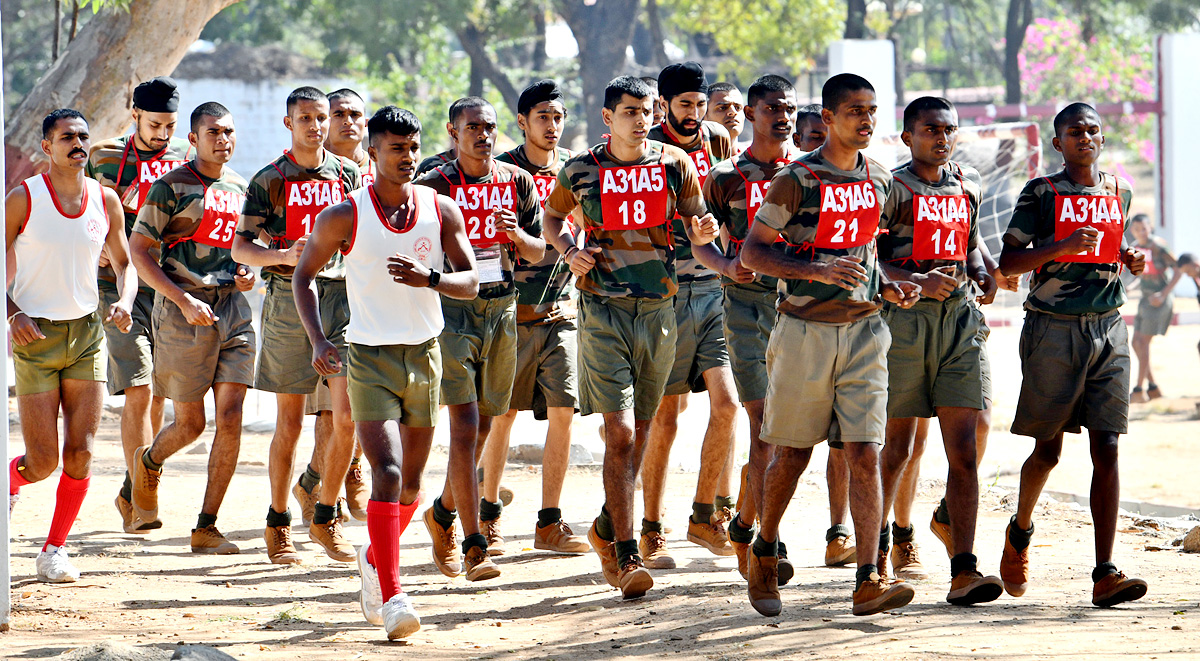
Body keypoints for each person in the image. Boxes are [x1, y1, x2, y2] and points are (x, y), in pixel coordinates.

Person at [740, 74, 921, 617]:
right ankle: (765, 549)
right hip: (803, 332)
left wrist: (889, 283)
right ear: (828, 114)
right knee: (792, 454)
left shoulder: (881, 180)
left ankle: (868, 577)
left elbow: (872, 251)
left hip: (867, 330)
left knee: (864, 452)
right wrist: (815, 269)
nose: (866, 120)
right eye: (854, 111)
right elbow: (753, 253)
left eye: (872, 110)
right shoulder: (797, 180)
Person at [294, 105, 478, 639]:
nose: (408, 157)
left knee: (412, 484)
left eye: (414, 147)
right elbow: (303, 277)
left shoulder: (440, 208)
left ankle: (375, 560)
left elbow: (471, 281)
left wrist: (432, 279)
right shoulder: (344, 215)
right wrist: (319, 341)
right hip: (368, 357)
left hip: (424, 355)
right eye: (396, 148)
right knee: (389, 472)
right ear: (371, 152)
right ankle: (395, 596)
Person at [542, 75, 719, 599]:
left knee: (641, 433)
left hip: (662, 310)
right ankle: (624, 553)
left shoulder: (674, 165)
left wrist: (707, 236)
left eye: (646, 111)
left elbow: (697, 226)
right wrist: (568, 251)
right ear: (607, 118)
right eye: (628, 112)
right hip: (603, 312)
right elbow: (553, 219)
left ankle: (604, 525)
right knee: (618, 433)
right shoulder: (580, 170)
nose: (640, 120)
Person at [998, 102, 1148, 608]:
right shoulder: (1041, 192)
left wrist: (1130, 258)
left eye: (1093, 130)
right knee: (1049, 450)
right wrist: (1057, 247)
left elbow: (1113, 249)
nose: (1085, 138)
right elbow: (1009, 262)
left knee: (1107, 445)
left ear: (1102, 139)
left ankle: (1105, 571)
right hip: (1053, 330)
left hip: (1110, 327)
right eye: (1074, 132)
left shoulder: (1118, 190)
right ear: (1058, 143)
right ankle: (1019, 533)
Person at [874, 96, 1004, 604]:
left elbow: (970, 242)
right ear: (909, 137)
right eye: (931, 130)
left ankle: (964, 570)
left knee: (965, 451)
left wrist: (982, 270)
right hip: (904, 320)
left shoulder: (968, 182)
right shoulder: (891, 186)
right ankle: (876, 557)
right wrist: (913, 279)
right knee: (898, 449)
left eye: (949, 129)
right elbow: (870, 258)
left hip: (960, 321)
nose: (942, 137)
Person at [227, 86, 361, 564]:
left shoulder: (349, 173)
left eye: (321, 117)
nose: (316, 126)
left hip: (342, 299)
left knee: (346, 417)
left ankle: (326, 515)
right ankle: (278, 523)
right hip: (288, 300)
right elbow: (240, 247)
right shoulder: (271, 178)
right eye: (305, 118)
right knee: (288, 423)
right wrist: (279, 255)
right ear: (289, 123)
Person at [415, 96, 544, 580]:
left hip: (503, 309)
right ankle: (473, 545)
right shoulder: (434, 186)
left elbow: (537, 249)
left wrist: (515, 236)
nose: (483, 135)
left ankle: (442, 514)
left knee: (487, 427)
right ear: (453, 131)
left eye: (489, 127)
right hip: (453, 312)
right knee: (465, 427)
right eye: (472, 127)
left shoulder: (516, 181)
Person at [6, 109, 137, 581]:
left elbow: (126, 263)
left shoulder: (106, 200)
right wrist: (12, 312)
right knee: (41, 462)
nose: (78, 144)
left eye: (83, 136)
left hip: (87, 336)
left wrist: (125, 300)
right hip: (34, 336)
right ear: (47, 146)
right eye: (67, 137)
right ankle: (9, 481)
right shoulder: (23, 198)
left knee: (80, 453)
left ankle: (54, 549)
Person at [126, 102, 256, 555]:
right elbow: (139, 250)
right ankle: (148, 462)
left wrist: (247, 274)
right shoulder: (170, 187)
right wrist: (181, 299)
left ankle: (206, 525)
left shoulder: (242, 187)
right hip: (182, 312)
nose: (224, 139)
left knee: (233, 416)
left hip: (233, 311)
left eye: (230, 131)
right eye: (214, 132)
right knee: (191, 424)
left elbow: (245, 249)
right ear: (194, 139)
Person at [479, 80, 589, 554]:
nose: (552, 125)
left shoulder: (575, 171)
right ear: (522, 122)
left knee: (564, 413)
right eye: (542, 116)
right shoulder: (500, 173)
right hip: (508, 311)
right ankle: (486, 518)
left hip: (560, 312)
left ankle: (549, 522)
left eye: (558, 117)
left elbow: (587, 226)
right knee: (502, 417)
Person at [641, 61, 740, 569]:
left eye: (701, 105)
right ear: (663, 106)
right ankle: (650, 528)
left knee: (726, 406)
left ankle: (704, 514)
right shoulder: (647, 149)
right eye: (685, 106)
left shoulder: (718, 139)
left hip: (714, 288)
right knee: (667, 416)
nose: (695, 116)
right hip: (667, 290)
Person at [702, 74, 799, 583]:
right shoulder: (724, 177)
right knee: (765, 429)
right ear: (753, 114)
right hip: (745, 309)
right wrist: (724, 265)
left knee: (790, 437)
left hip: (801, 309)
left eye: (789, 109)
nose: (782, 117)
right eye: (772, 109)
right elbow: (696, 240)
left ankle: (745, 524)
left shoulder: (811, 174)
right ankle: (768, 543)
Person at [87, 76, 190, 534]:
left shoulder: (185, 159)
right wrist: (98, 248)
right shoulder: (103, 156)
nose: (163, 135)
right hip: (115, 288)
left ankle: (131, 492)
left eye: (170, 126)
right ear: (134, 115)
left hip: (165, 286)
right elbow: (81, 213)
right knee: (140, 388)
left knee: (159, 396)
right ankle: (144, 502)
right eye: (154, 125)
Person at [293, 87, 374, 525]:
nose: (346, 122)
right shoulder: (303, 169)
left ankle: (328, 479)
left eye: (355, 114)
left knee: (363, 400)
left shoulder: (380, 168)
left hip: (366, 297)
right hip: (320, 299)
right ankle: (324, 486)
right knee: (331, 407)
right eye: (337, 113)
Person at [1128, 214, 1179, 402]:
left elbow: (1178, 269)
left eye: (1144, 227)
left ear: (1150, 227)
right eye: (1136, 228)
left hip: (1158, 300)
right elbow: (1142, 273)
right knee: (1135, 343)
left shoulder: (1159, 246)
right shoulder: (1136, 247)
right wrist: (1130, 287)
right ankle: (1154, 387)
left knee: (1143, 342)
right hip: (1144, 299)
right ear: (1132, 230)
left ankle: (1139, 390)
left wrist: (1164, 294)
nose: (1141, 231)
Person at [706, 82, 746, 148]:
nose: (733, 112)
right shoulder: (688, 157)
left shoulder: (758, 156)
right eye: (723, 108)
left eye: (738, 107)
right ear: (704, 114)